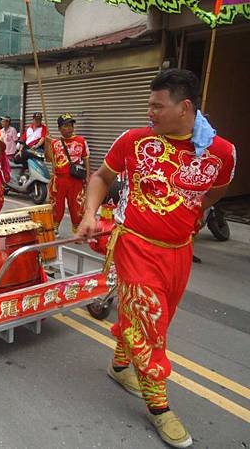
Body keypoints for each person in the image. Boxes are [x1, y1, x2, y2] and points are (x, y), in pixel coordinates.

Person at [77, 69, 235, 448]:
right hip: (134, 245)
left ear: (184, 108)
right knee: (149, 326)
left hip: (179, 252)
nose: (149, 112)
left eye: (156, 105)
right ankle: (160, 407)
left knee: (147, 320)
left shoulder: (221, 152)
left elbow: (215, 192)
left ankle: (119, 366)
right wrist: (87, 213)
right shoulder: (133, 141)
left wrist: (191, 214)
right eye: (149, 104)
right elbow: (100, 178)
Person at [48, 113, 91, 234]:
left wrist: (87, 176)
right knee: (57, 205)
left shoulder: (81, 141)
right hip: (59, 180)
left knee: (76, 205)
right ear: (59, 128)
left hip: (75, 180)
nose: (69, 129)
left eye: (71, 125)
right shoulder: (54, 143)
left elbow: (86, 158)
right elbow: (48, 158)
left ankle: (77, 228)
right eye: (65, 126)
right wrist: (47, 143)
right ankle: (54, 227)